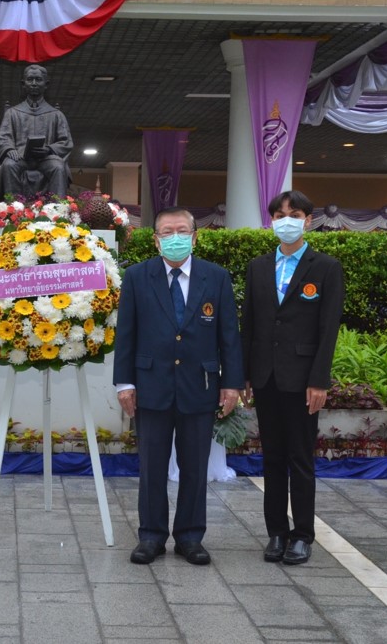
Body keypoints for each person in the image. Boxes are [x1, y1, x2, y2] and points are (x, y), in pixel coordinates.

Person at [113, 206, 243, 565]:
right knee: (152, 465)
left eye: (181, 231)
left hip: (199, 385)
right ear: (155, 240)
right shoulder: (138, 277)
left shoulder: (215, 278)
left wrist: (231, 384)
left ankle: (190, 536)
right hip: (150, 384)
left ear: (194, 236)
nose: (175, 238)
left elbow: (228, 335)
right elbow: (126, 335)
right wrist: (124, 383)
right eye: (167, 232)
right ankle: (151, 536)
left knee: (195, 465)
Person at [241, 190, 344, 566]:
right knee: (272, 458)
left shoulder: (325, 266)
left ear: (308, 220)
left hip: (302, 380)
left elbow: (328, 328)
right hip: (266, 377)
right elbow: (249, 324)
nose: (286, 220)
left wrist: (319, 380)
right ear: (271, 221)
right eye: (279, 214)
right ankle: (276, 533)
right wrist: (245, 374)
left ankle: (302, 535)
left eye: (294, 213)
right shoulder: (258, 266)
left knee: (300, 459)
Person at [0, 64, 73, 200]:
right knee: (8, 164)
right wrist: (9, 149)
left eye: (38, 79)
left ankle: (57, 210)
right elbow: (3, 138)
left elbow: (66, 141)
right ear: (23, 84)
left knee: (58, 167)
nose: (34, 83)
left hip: (46, 158)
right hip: (20, 157)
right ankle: (14, 209)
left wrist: (49, 149)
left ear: (46, 84)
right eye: (30, 79)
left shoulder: (56, 114)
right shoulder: (12, 113)